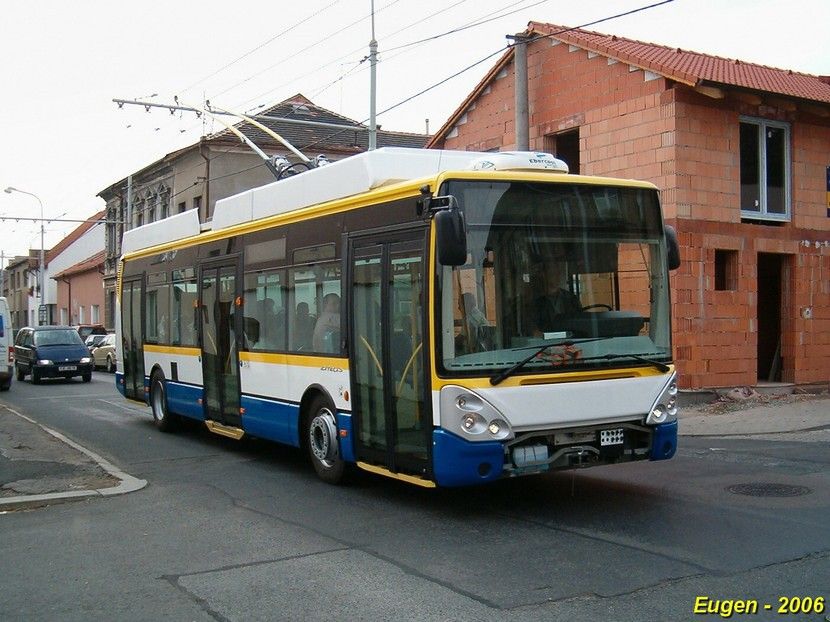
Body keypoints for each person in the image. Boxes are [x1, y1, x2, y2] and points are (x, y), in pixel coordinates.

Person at [528, 260, 581, 335]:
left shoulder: (572, 299)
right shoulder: (534, 301)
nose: (557, 276)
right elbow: (532, 328)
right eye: (553, 273)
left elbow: (580, 323)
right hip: (545, 343)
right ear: (543, 274)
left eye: (558, 273)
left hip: (571, 342)